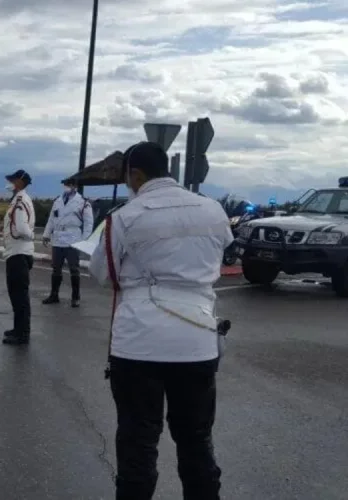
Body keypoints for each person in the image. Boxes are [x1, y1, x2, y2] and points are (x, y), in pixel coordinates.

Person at [88, 141, 233, 500]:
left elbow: (103, 274)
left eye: (127, 179)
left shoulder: (125, 216)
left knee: (138, 442)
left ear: (135, 175)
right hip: (198, 341)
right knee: (196, 441)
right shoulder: (213, 210)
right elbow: (219, 252)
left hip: (138, 345)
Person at [41, 177, 94, 307]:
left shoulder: (83, 202)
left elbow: (88, 223)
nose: (66, 186)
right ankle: (54, 295)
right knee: (56, 269)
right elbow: (51, 219)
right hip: (58, 238)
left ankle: (75, 297)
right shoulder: (58, 201)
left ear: (75, 186)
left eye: (69, 184)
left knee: (74, 269)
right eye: (65, 184)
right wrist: (46, 234)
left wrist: (83, 240)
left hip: (73, 239)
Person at [1, 169, 35, 346]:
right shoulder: (17, 199)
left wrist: (30, 237)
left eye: (12, 180)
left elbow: (22, 229)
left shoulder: (20, 201)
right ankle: (18, 329)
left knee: (20, 297)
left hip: (18, 254)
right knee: (16, 296)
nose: (10, 183)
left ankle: (22, 334)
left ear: (20, 182)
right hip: (17, 253)